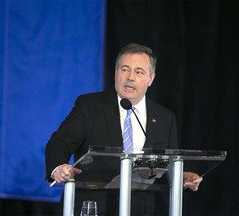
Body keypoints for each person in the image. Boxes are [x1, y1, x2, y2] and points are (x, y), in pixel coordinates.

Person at [45, 43, 202, 215]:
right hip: (92, 207)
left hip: (139, 209)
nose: (130, 77)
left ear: (151, 78)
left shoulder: (165, 117)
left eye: (139, 72)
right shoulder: (90, 106)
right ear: (115, 73)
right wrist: (58, 166)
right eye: (125, 69)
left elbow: (167, 165)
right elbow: (60, 141)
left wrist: (181, 178)